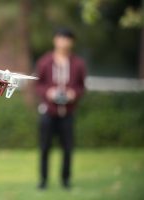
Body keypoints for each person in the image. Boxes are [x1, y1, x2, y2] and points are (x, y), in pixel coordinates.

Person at [35, 28, 86, 189]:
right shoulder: (44, 61)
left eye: (67, 39)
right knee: (44, 148)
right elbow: (37, 84)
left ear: (72, 42)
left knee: (68, 148)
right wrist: (48, 92)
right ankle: (43, 180)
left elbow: (82, 87)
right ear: (55, 40)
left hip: (68, 112)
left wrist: (73, 94)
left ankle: (66, 180)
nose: (64, 42)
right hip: (48, 112)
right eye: (61, 38)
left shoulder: (78, 63)